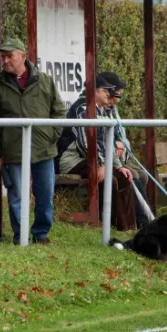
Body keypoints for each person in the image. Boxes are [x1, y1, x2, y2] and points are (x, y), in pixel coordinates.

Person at [0, 38, 65, 245]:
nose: (5, 61)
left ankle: (41, 234)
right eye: (3, 57)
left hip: (44, 149)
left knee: (45, 194)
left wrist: (51, 136)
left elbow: (59, 112)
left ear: (22, 56)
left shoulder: (45, 81)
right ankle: (20, 236)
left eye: (9, 56)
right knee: (17, 196)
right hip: (13, 151)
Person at [57, 76, 137, 231]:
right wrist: (101, 165)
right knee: (110, 180)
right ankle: (119, 227)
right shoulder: (82, 109)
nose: (109, 94)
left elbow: (108, 144)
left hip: (93, 160)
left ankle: (131, 228)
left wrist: (118, 166)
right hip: (72, 161)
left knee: (124, 177)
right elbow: (84, 145)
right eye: (106, 91)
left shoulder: (102, 111)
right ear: (95, 91)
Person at [99, 71, 150, 228]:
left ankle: (142, 217)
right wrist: (116, 155)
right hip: (105, 157)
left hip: (117, 156)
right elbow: (98, 141)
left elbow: (122, 136)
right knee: (130, 175)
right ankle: (140, 221)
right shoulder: (87, 109)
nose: (116, 100)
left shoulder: (110, 109)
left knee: (142, 175)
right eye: (116, 95)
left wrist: (123, 151)